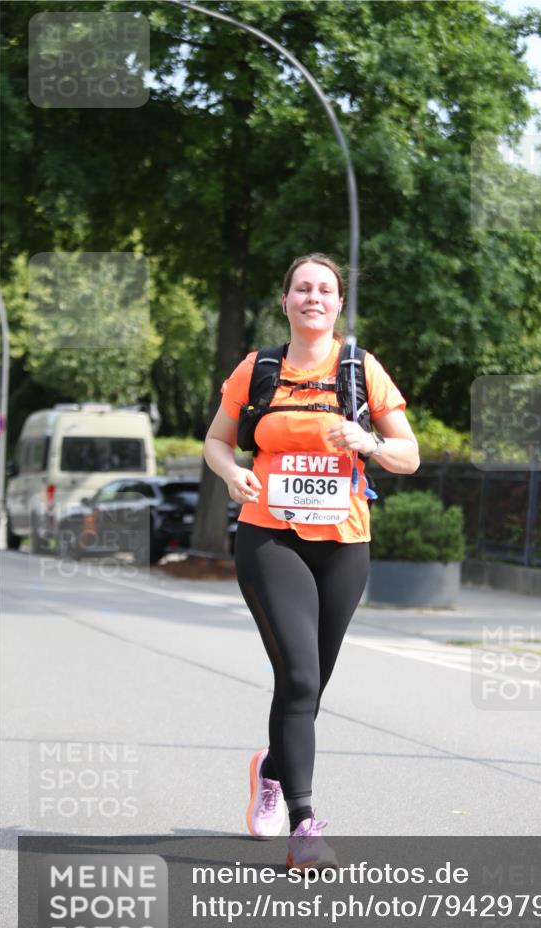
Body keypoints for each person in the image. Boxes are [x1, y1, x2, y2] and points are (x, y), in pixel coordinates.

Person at [204, 253, 419, 871]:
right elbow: (217, 441)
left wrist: (370, 442)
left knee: (311, 684)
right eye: (302, 288)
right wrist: (232, 474)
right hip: (270, 538)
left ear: (338, 303)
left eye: (325, 289)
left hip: (344, 544)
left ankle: (271, 770)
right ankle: (304, 824)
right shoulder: (258, 369)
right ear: (286, 301)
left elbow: (409, 455)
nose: (313, 298)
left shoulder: (360, 369)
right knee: (299, 678)